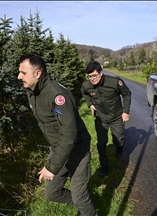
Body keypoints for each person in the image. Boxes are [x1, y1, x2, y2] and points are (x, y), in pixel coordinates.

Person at [18, 54, 97, 216]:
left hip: (77, 149)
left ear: (37, 74)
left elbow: (69, 134)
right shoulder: (31, 91)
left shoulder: (57, 95)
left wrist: (52, 167)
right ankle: (84, 203)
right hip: (58, 148)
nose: (19, 77)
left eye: (23, 73)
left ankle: (86, 206)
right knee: (52, 193)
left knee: (80, 197)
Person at [80, 61, 131, 177]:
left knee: (118, 138)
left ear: (101, 73)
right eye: (89, 76)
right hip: (100, 118)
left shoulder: (114, 82)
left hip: (116, 116)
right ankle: (104, 166)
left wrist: (125, 111)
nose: (92, 79)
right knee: (101, 143)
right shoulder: (87, 85)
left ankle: (119, 146)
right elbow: (84, 93)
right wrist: (90, 104)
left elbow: (127, 94)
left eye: (94, 75)